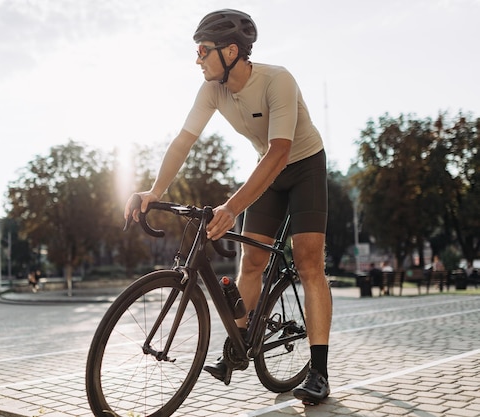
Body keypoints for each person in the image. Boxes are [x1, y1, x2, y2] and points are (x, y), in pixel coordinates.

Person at [125, 9, 331, 405]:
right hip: (267, 171)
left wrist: (232, 207)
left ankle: (319, 372)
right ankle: (237, 350)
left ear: (231, 51)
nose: (197, 58)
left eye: (203, 50)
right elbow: (184, 141)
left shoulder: (278, 79)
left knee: (308, 262)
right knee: (250, 262)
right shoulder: (212, 90)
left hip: (303, 165)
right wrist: (154, 190)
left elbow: (280, 150)